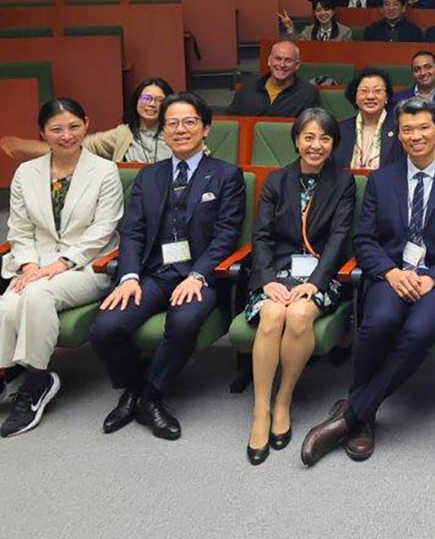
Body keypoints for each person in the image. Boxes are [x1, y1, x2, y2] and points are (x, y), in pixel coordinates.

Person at [299, 98, 435, 466]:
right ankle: (362, 415)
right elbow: (365, 239)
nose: (416, 136)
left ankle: (354, 413)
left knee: (417, 331)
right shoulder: (381, 180)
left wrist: (433, 277)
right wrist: (390, 272)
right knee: (379, 322)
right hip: (392, 274)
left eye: (423, 128)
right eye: (407, 130)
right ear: (397, 135)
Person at [91, 93, 246, 441]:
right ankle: (135, 387)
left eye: (189, 122)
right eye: (172, 123)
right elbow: (132, 231)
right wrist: (128, 276)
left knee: (185, 321)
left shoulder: (226, 175)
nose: (180, 129)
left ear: (205, 129)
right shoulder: (149, 177)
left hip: (198, 276)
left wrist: (197, 275)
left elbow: (226, 236)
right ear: (163, 131)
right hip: (152, 274)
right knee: (105, 328)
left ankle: (151, 397)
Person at [0, 99, 123, 437]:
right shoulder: (26, 173)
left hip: (88, 266)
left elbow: (104, 230)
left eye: (73, 127)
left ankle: (36, 381)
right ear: (42, 132)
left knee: (36, 294)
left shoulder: (105, 171)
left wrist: (59, 264)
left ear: (86, 124)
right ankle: (8, 374)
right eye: (56, 129)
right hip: (34, 264)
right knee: (8, 302)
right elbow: (19, 229)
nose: (66, 135)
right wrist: (27, 264)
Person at [243, 109, 356, 465]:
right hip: (276, 272)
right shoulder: (277, 181)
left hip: (321, 274)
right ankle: (261, 409)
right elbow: (261, 236)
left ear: (333, 144)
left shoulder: (343, 182)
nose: (316, 145)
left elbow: (339, 238)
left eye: (324, 138)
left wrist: (314, 283)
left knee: (300, 315)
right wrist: (268, 280)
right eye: (308, 137)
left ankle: (283, 400)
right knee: (274, 313)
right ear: (296, 140)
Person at [1, 78, 175, 164]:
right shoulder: (123, 134)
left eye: (160, 100)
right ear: (136, 101)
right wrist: (19, 146)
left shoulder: (177, 131)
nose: (152, 105)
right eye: (146, 98)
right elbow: (75, 145)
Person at [226, 41, 321, 117]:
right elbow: (230, 121)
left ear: (297, 65)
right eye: (278, 59)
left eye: (288, 60)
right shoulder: (247, 89)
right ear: (269, 61)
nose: (282, 65)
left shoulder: (308, 93)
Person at [334, 68, 403, 170]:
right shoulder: (340, 130)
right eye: (364, 91)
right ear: (355, 97)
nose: (370, 96)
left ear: (387, 97)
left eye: (377, 91)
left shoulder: (399, 129)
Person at [279, 0, 352, 43]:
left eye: (326, 9)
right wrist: (290, 29)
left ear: (333, 12)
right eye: (318, 10)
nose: (322, 13)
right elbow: (299, 47)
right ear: (315, 13)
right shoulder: (308, 31)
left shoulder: (345, 32)